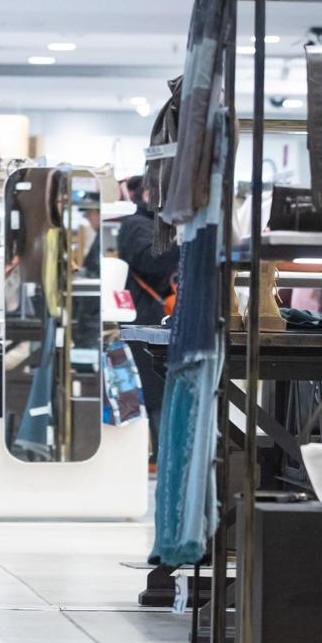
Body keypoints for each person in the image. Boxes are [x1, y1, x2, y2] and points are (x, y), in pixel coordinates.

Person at [117, 175, 179, 462]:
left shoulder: (153, 226)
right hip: (144, 323)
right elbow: (149, 260)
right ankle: (159, 457)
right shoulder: (135, 226)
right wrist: (183, 245)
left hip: (155, 321)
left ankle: (161, 455)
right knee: (154, 396)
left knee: (160, 394)